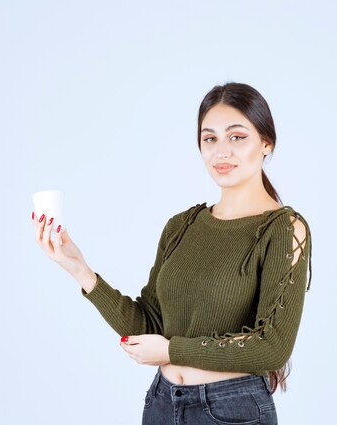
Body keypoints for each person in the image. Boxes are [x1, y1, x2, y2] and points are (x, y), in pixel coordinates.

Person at [32, 82, 313, 425]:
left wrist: (170, 351)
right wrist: (79, 270)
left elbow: (272, 346)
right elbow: (149, 325)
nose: (221, 151)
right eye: (209, 138)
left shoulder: (283, 229)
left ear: (266, 143)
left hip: (232, 411)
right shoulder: (182, 225)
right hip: (164, 403)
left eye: (237, 137)